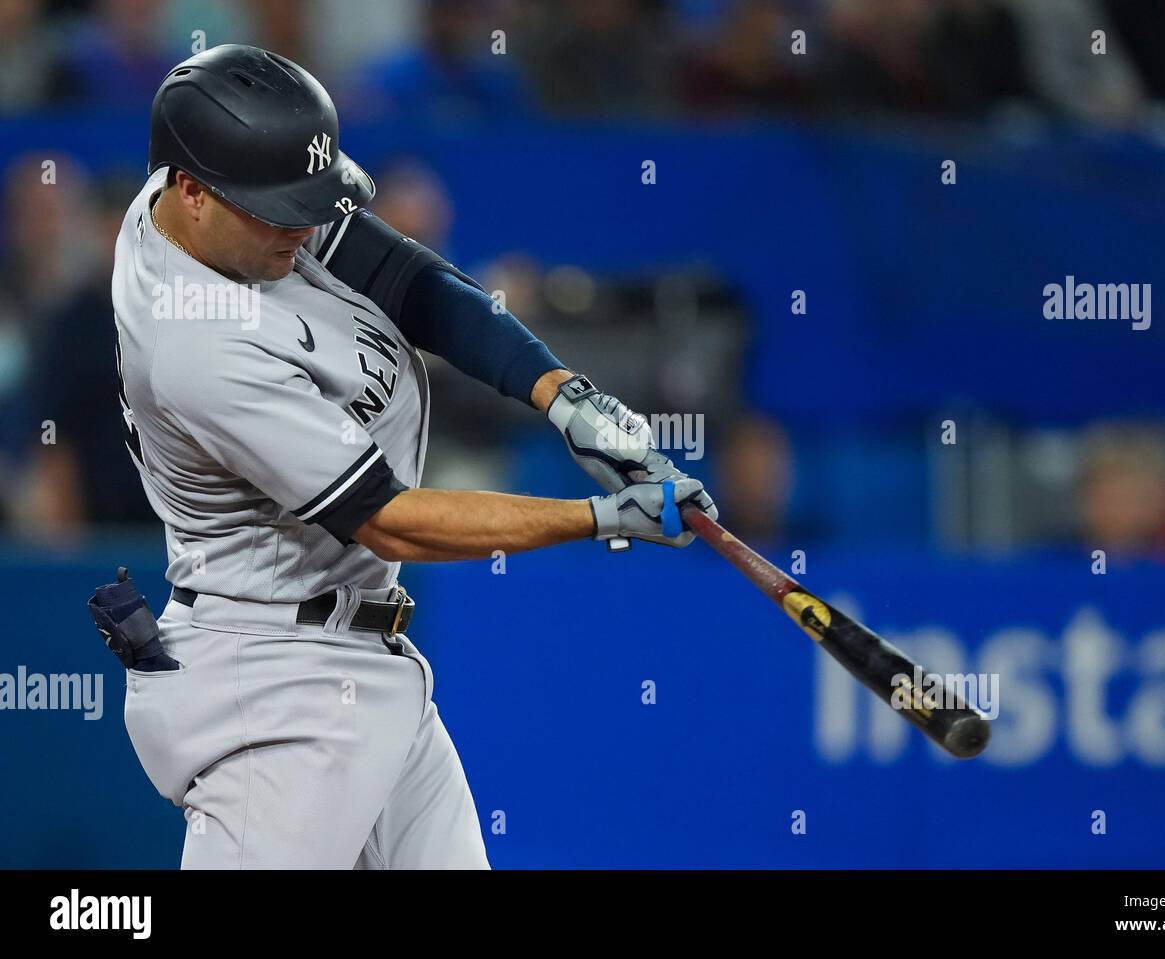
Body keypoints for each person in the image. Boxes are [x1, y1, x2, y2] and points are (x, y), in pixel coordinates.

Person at [111, 43, 716, 869]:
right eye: (278, 208)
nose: (303, 225)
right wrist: (600, 518)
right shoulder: (194, 347)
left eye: (306, 201)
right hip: (273, 690)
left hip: (356, 660)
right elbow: (390, 521)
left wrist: (562, 395)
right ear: (190, 192)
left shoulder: (209, 195)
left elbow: (403, 276)